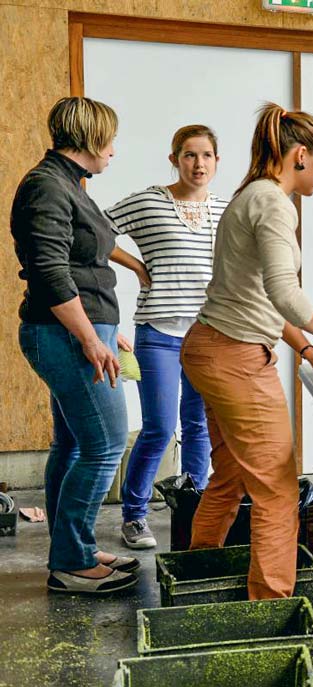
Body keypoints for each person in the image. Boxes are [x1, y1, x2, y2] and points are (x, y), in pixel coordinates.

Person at [180, 102, 313, 600]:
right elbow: (283, 290)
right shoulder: (274, 203)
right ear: (300, 155)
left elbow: (256, 294)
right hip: (236, 359)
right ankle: (272, 611)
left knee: (232, 473)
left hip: (210, 349)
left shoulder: (251, 196)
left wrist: (307, 350)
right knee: (278, 490)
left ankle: (199, 581)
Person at [10, 96, 139, 594]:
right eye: (111, 140)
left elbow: (86, 264)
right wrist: (90, 336)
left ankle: (74, 547)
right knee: (105, 445)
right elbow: (49, 273)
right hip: (62, 335)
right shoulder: (47, 186)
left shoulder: (66, 184)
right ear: (91, 138)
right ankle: (72, 563)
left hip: (78, 332)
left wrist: (106, 328)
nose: (113, 151)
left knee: (72, 444)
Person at [105, 125, 228, 550]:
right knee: (159, 428)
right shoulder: (149, 201)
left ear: (217, 161)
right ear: (174, 159)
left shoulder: (226, 210)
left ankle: (192, 509)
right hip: (159, 333)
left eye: (207, 155)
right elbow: (94, 230)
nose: (199, 164)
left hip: (208, 337)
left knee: (198, 426)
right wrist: (135, 265)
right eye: (190, 155)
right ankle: (134, 515)